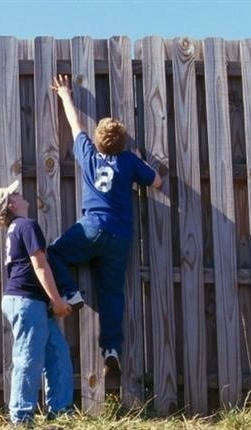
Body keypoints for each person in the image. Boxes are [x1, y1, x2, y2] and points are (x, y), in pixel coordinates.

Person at [48, 74, 162, 376]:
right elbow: (158, 182)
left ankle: (70, 292)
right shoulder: (128, 161)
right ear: (123, 143)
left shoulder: (87, 154)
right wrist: (140, 160)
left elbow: (75, 125)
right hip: (120, 237)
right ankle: (111, 347)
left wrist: (65, 95)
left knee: (54, 253)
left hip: (92, 227)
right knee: (111, 293)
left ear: (98, 140)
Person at [0, 180, 75, 424]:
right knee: (28, 357)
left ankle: (61, 413)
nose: (20, 193)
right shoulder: (26, 225)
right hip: (27, 302)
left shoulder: (16, 228)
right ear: (11, 204)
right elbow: (40, 265)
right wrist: (56, 301)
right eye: (14, 193)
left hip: (28, 301)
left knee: (57, 353)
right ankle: (21, 418)